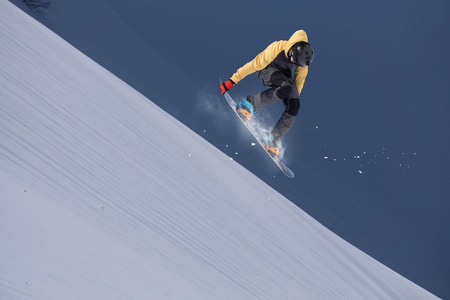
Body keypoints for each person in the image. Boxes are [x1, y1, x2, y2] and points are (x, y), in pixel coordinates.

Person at [219, 30, 314, 157]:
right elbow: (253, 64)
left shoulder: (302, 62)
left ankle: (273, 138)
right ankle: (249, 103)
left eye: (297, 63)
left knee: (294, 106)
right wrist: (232, 80)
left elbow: (298, 85)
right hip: (266, 69)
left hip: (283, 77)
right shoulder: (277, 47)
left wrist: (291, 100)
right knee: (284, 87)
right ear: (292, 49)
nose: (294, 63)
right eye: (293, 60)